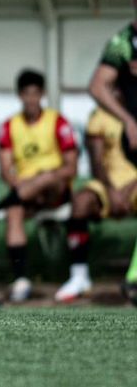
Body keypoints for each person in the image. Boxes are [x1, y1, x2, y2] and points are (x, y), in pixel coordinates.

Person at [0, 69, 78, 302]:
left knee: (47, 176)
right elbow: (5, 170)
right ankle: (21, 280)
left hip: (54, 190)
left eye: (35, 93)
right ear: (20, 95)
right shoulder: (10, 126)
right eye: (27, 94)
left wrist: (40, 179)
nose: (31, 99)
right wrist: (24, 184)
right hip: (25, 193)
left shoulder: (57, 121)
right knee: (14, 212)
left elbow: (71, 168)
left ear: (42, 94)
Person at [55, 91, 137, 301]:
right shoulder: (100, 115)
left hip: (134, 184)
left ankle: (133, 279)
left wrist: (129, 189)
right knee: (81, 202)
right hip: (108, 183)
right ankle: (79, 277)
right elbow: (96, 161)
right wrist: (111, 190)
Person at [87, 0, 137, 304]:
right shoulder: (123, 42)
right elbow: (97, 85)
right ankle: (133, 280)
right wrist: (129, 120)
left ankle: (133, 280)